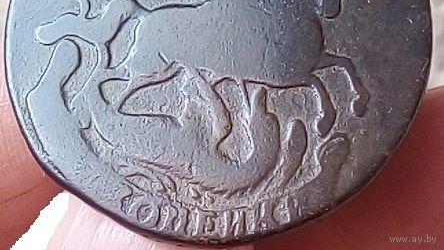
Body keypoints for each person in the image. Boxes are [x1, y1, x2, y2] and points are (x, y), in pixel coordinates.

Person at [1, 58, 443, 248]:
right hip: (199, 156)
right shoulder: (238, 157)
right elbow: (223, 125)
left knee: (120, 123)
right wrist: (202, 87)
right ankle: (85, 98)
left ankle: (84, 98)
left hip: (194, 156)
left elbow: (219, 124)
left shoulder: (232, 155)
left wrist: (201, 88)